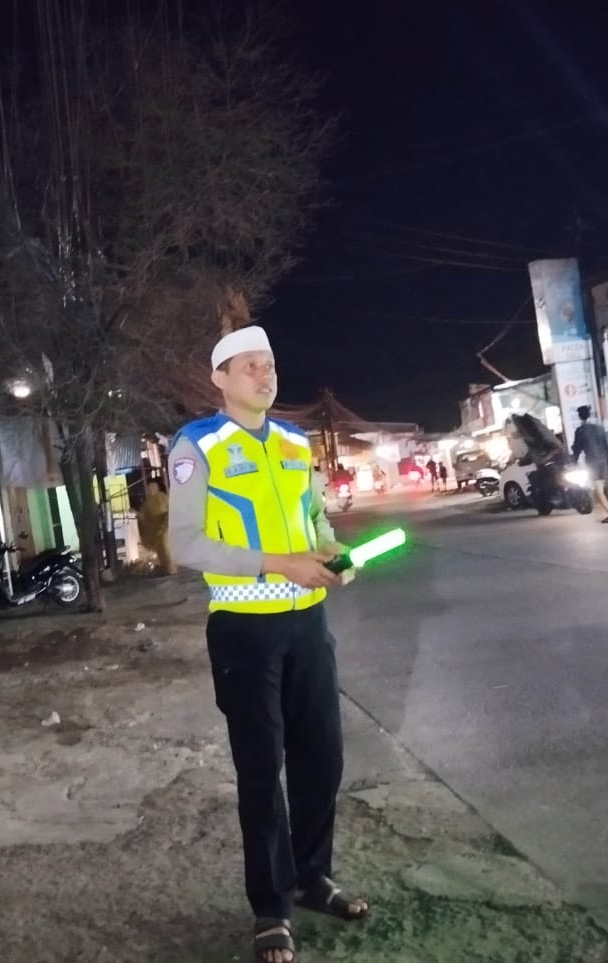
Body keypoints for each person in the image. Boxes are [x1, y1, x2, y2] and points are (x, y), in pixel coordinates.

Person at [168, 326, 369, 963]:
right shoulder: (197, 444)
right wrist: (280, 564)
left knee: (323, 757)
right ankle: (271, 905)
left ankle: (313, 877)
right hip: (244, 630)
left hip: (308, 623)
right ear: (220, 379)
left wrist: (333, 553)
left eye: (270, 364)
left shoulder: (293, 441)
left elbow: (315, 518)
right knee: (261, 770)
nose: (264, 374)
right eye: (249, 366)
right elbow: (184, 543)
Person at [572, 405, 608, 524]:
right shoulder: (599, 428)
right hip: (604, 463)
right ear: (589, 415)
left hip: (593, 465)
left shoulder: (580, 431)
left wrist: (573, 462)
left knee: (598, 491)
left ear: (579, 416)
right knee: (599, 490)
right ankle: (605, 512)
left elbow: (576, 449)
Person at [137, 480, 177, 575]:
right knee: (160, 550)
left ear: (157, 488)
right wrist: (137, 514)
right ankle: (165, 568)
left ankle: (171, 569)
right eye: (149, 488)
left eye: (153, 487)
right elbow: (144, 516)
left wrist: (164, 526)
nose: (151, 489)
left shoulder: (164, 498)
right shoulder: (147, 503)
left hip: (165, 527)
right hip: (155, 529)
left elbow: (170, 511)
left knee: (166, 548)